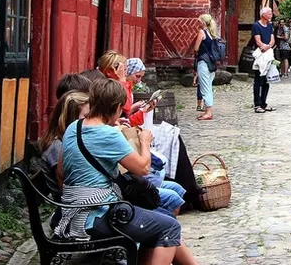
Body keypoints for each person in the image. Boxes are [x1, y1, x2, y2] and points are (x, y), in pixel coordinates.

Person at [55, 78, 198, 264]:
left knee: (159, 224)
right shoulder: (109, 134)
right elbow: (143, 168)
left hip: (72, 214)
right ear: (116, 107)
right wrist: (145, 141)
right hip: (96, 216)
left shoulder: (74, 127)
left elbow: (60, 172)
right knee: (169, 227)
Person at [40, 91, 91, 190]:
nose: (91, 121)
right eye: (87, 117)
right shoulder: (57, 148)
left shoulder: (65, 140)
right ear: (71, 119)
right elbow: (70, 185)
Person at [192, 14, 219, 121]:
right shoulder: (212, 33)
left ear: (203, 22)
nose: (198, 23)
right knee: (208, 87)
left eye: (199, 21)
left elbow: (196, 48)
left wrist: (196, 53)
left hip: (203, 63)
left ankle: (208, 112)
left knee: (205, 88)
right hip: (212, 63)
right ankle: (207, 111)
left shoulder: (202, 32)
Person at [251, 7, 276, 113]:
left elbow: (272, 40)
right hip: (260, 55)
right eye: (269, 14)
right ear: (263, 15)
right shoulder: (256, 26)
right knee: (258, 80)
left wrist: (268, 46)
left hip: (268, 53)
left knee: (266, 81)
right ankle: (257, 104)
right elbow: (258, 41)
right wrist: (263, 47)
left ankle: (263, 103)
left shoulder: (269, 26)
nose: (271, 15)